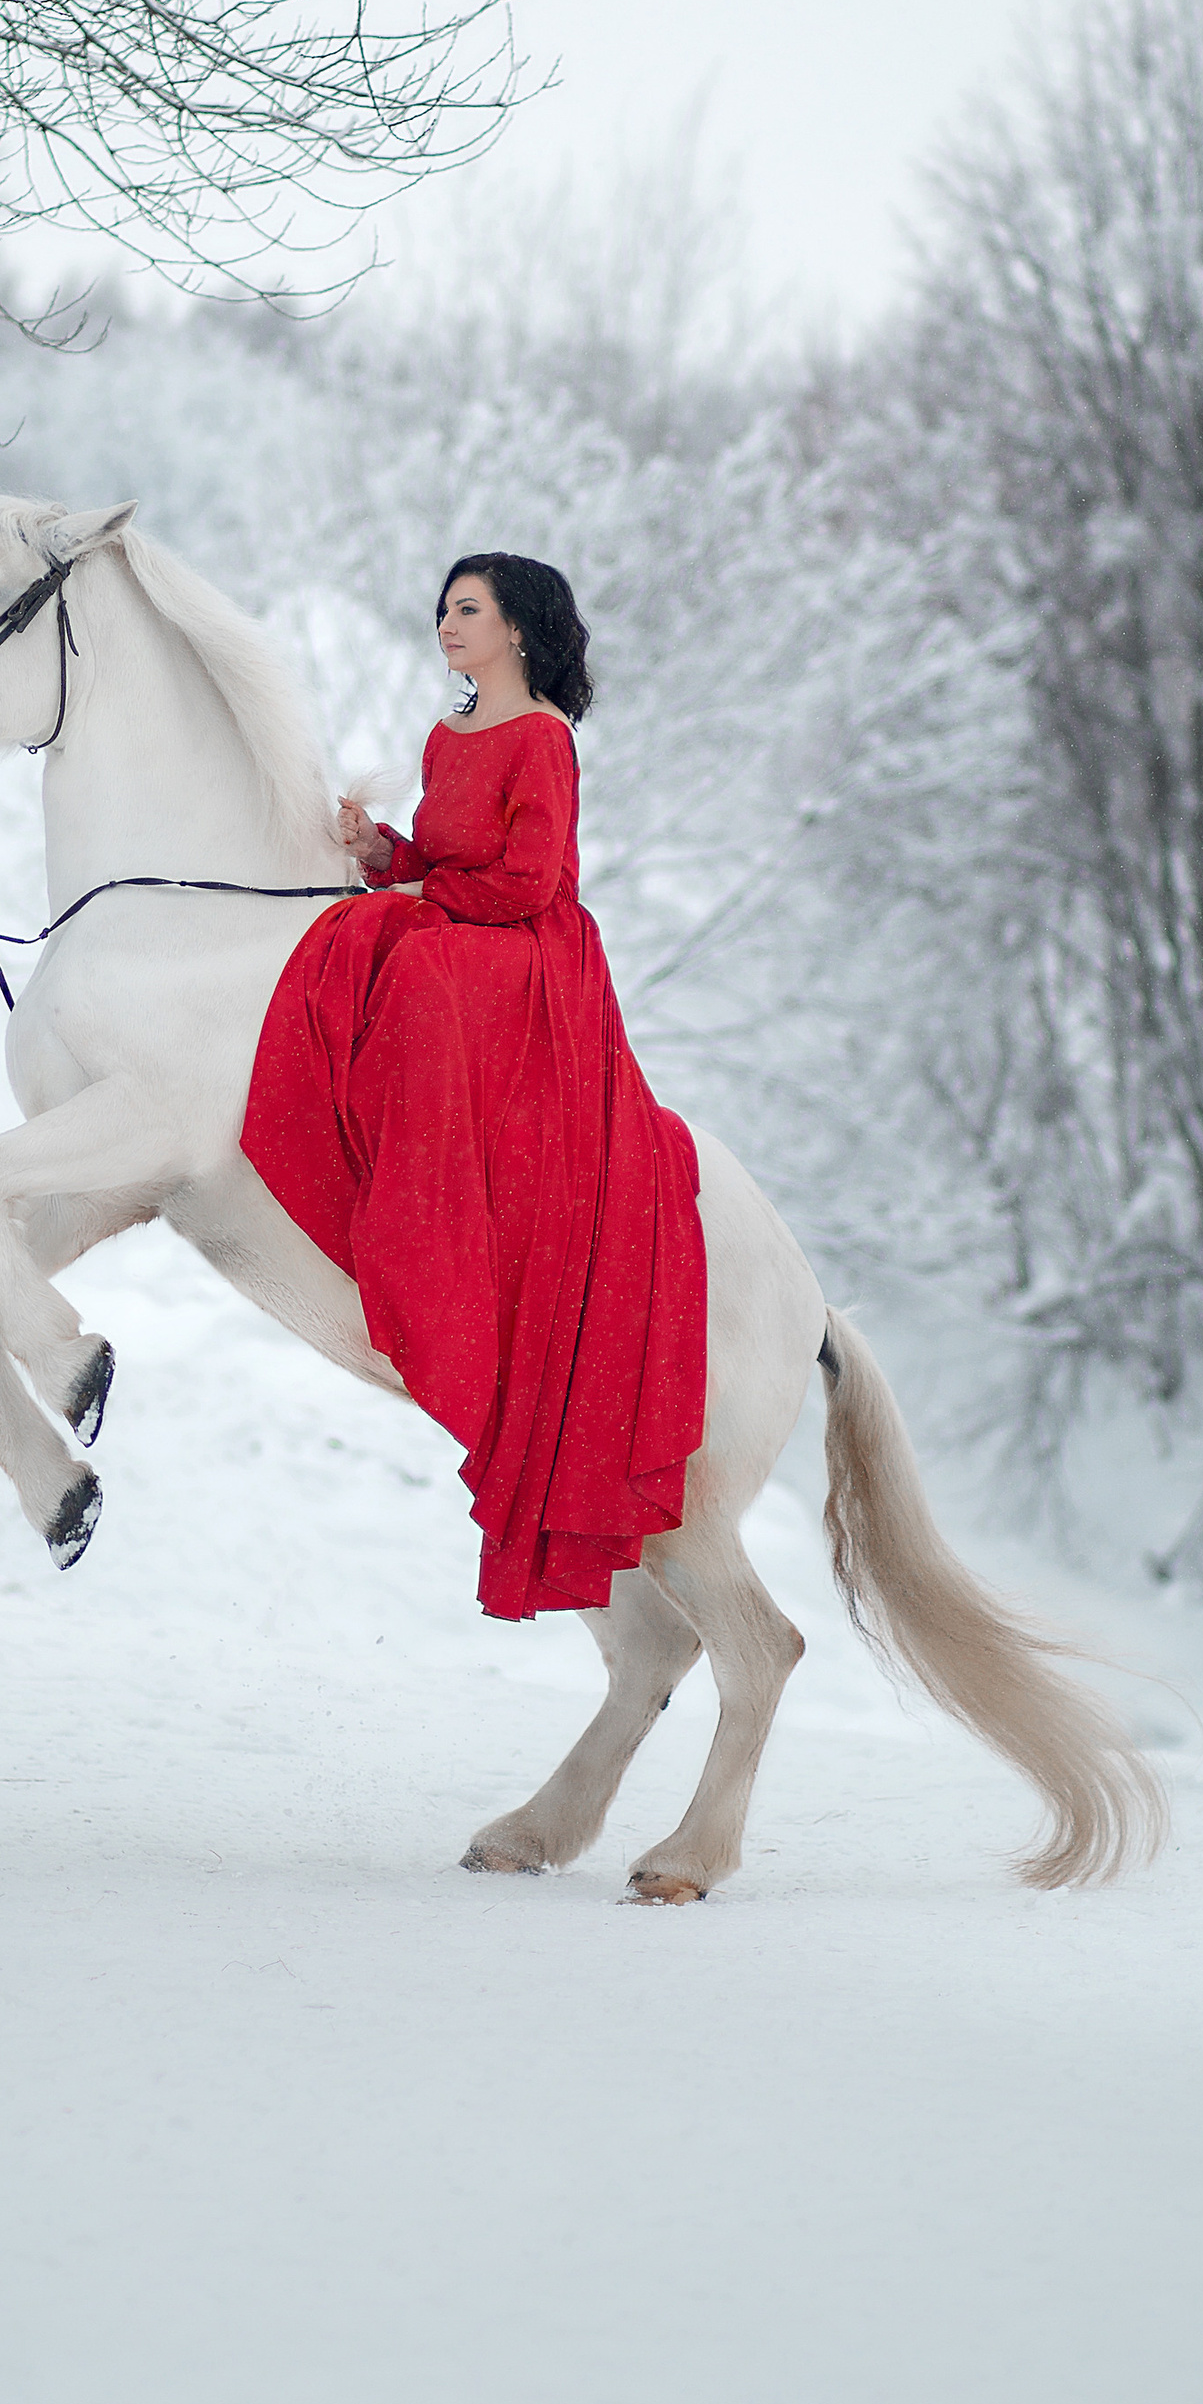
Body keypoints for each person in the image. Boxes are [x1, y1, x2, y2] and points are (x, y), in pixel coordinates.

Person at [240, 554, 708, 1619]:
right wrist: (379, 849)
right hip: (464, 921)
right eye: (444, 608)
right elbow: (435, 855)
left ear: (518, 627)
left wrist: (415, 895)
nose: (447, 624)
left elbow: (527, 881)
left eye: (468, 609)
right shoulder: (447, 734)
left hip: (530, 952)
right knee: (369, 932)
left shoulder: (542, 736)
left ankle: (416, 1183)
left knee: (398, 952)